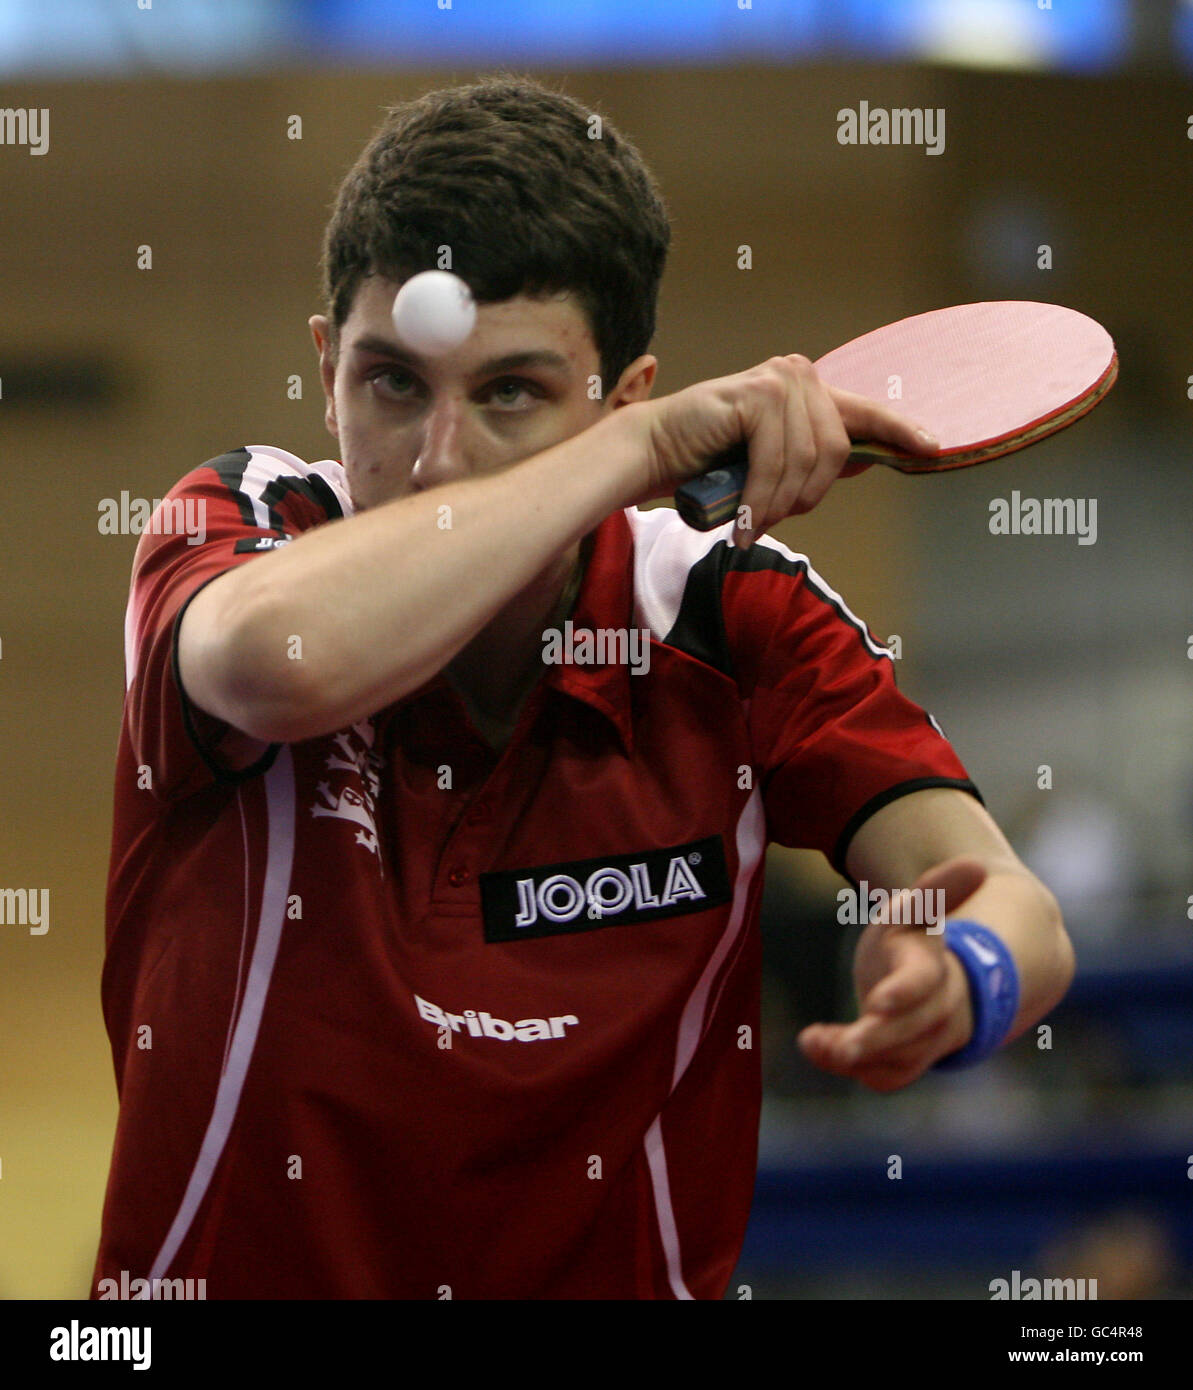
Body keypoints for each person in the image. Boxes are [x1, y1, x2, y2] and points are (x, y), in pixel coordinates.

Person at [91, 75, 1074, 1300]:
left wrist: (959, 971)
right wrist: (634, 457)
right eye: (390, 381)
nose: (437, 456)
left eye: (511, 392)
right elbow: (274, 667)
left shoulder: (727, 617)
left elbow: (1016, 912)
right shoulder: (241, 527)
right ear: (324, 366)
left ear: (622, 388)